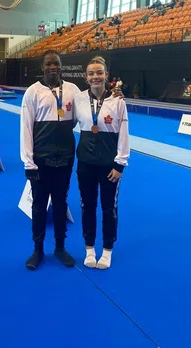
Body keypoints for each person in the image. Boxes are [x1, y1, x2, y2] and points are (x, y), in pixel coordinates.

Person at [20, 50, 124, 271]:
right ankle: (38, 249)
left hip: (66, 159)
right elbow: (26, 129)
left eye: (56, 64)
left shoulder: (73, 91)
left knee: (60, 204)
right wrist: (29, 162)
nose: (53, 68)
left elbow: (93, 108)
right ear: (42, 67)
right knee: (39, 207)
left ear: (61, 66)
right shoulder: (32, 93)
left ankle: (60, 247)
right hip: (41, 160)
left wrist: (115, 97)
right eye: (48, 64)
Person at [72, 56, 130, 270]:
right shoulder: (78, 99)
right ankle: (89, 248)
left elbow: (124, 133)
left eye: (99, 73)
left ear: (106, 75)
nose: (95, 76)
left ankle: (107, 250)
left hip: (109, 166)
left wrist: (120, 164)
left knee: (108, 208)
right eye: (91, 73)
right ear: (86, 78)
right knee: (87, 206)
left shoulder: (118, 101)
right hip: (85, 163)